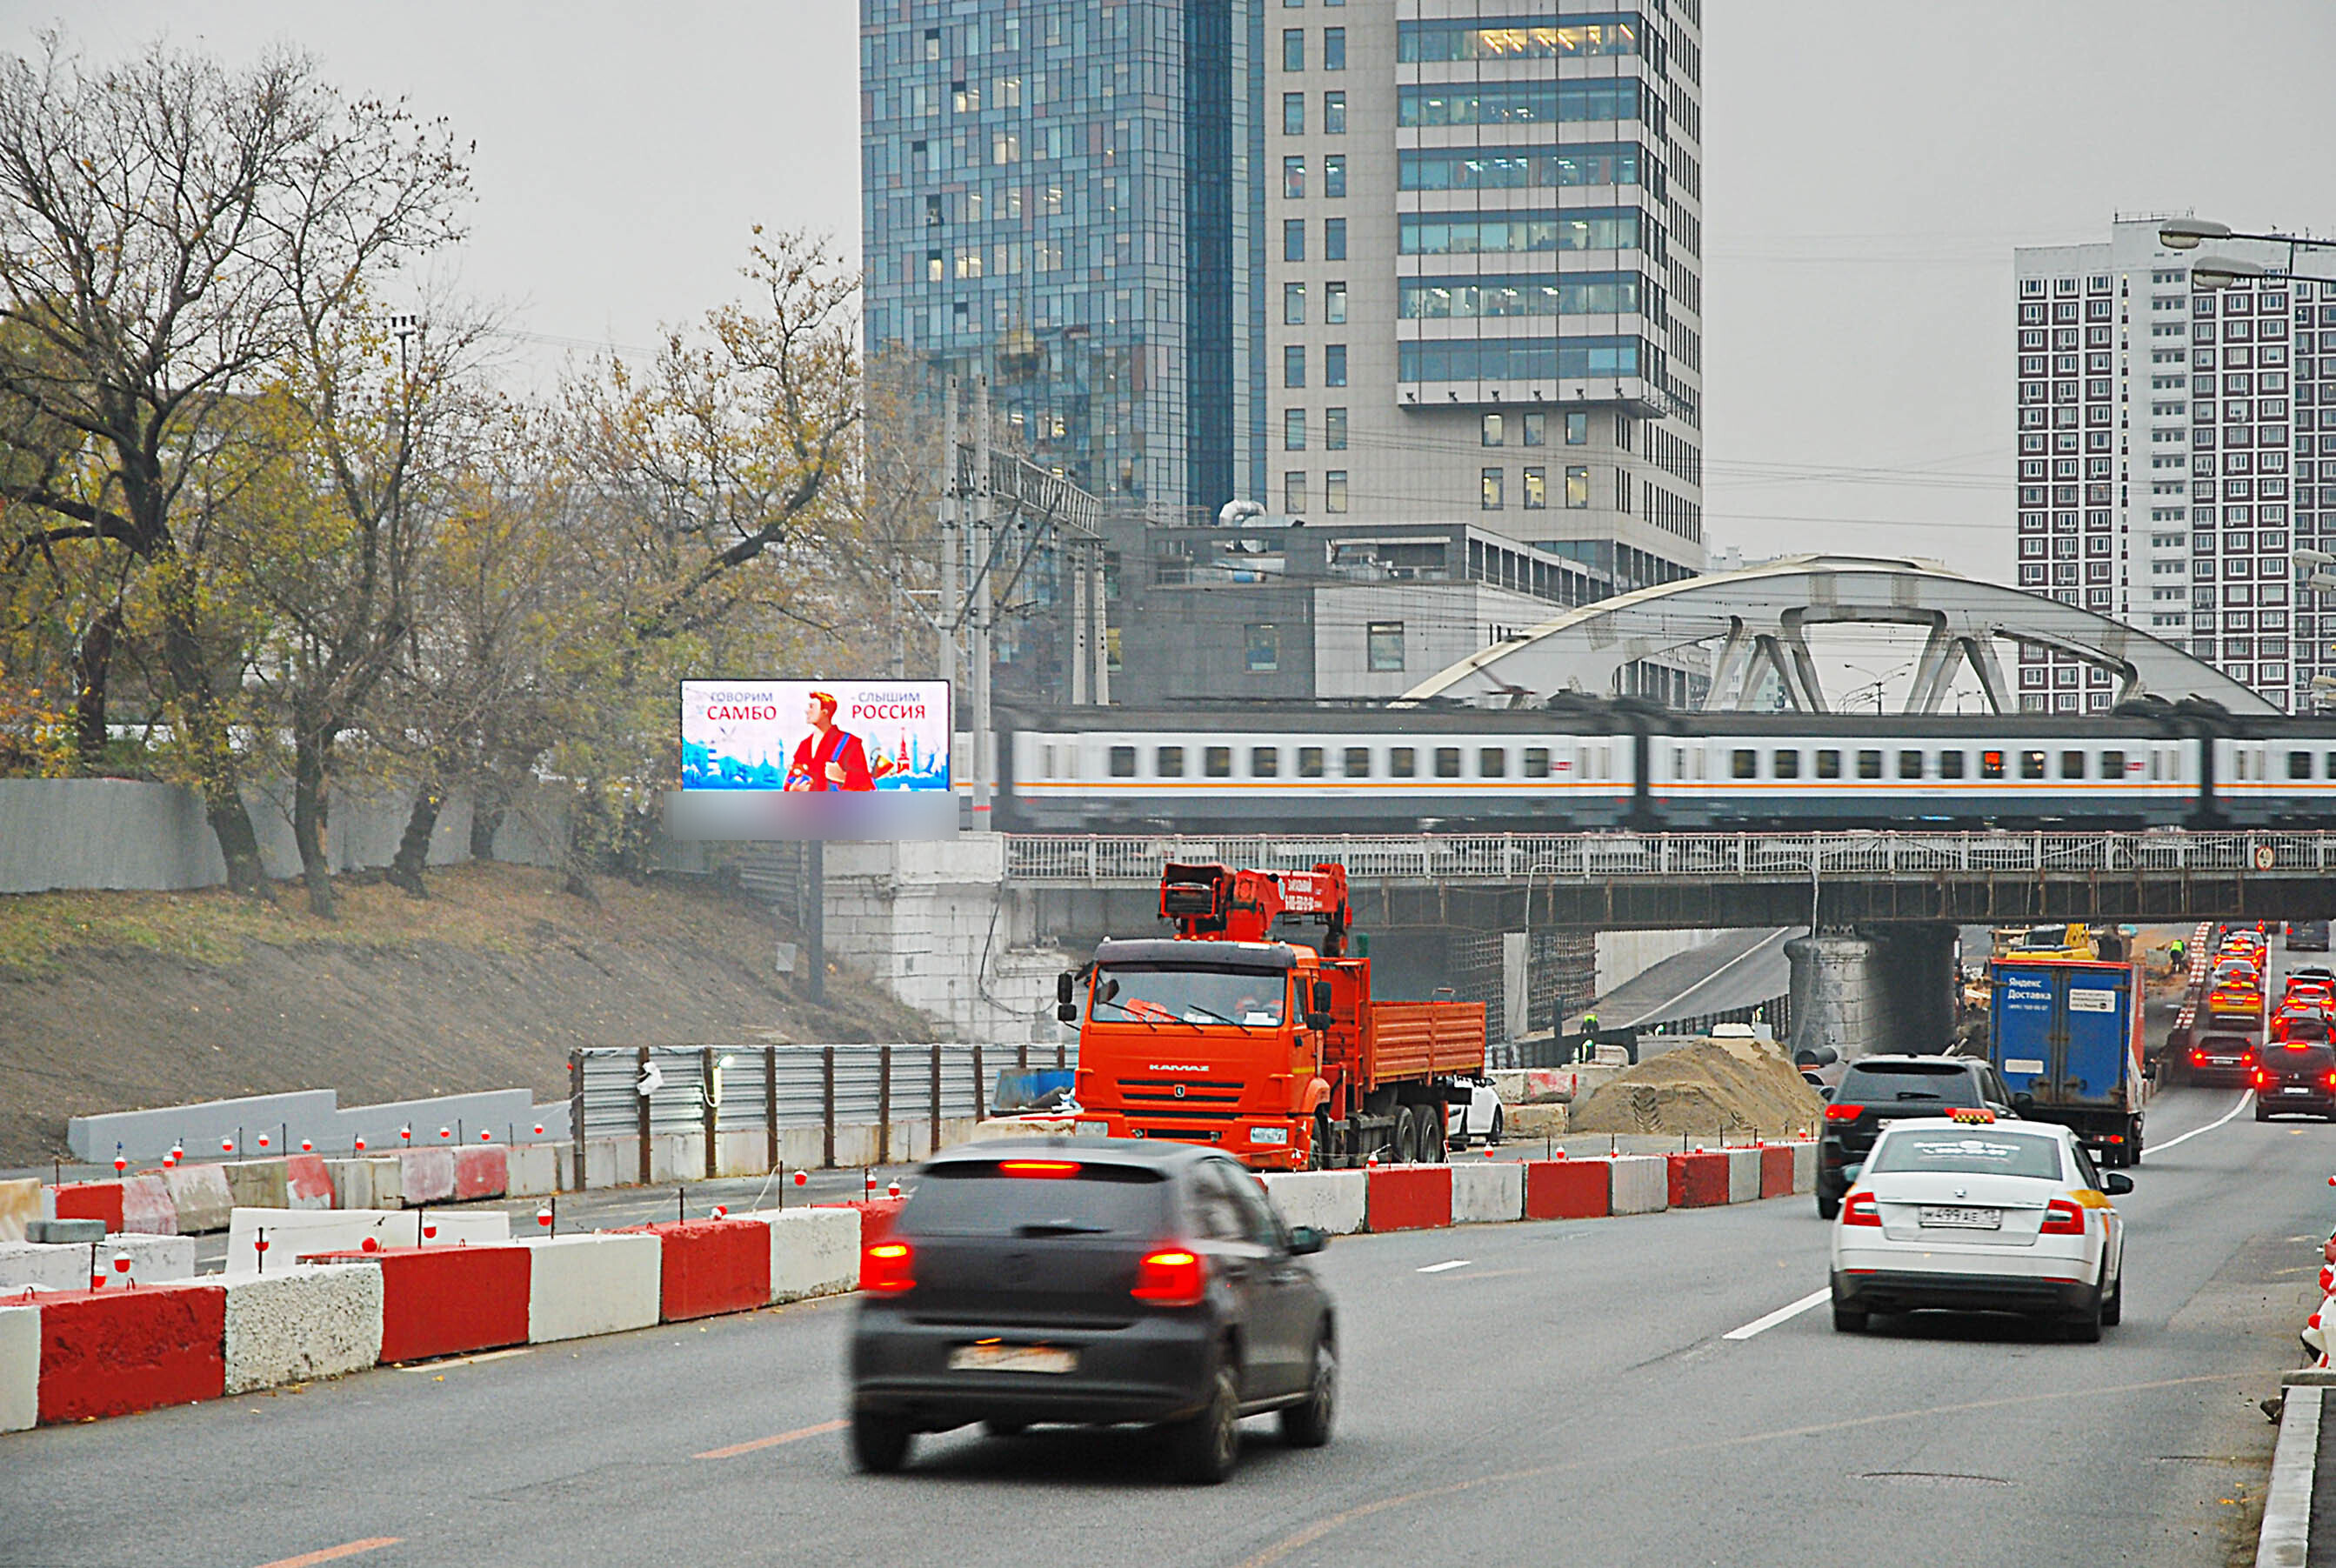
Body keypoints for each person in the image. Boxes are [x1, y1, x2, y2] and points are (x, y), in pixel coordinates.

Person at [784, 691, 891, 792]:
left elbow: (865, 784)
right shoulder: (804, 745)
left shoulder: (850, 742)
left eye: (812, 707)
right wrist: (792, 790)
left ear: (824, 712)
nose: (807, 711)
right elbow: (791, 778)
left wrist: (844, 777)